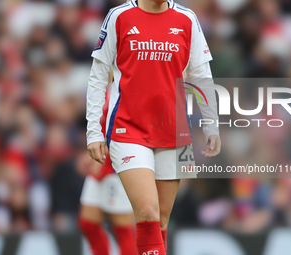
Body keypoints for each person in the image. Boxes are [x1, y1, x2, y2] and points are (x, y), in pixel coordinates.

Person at [86, 0, 221, 254]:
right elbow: (98, 75)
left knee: (160, 223)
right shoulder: (119, 16)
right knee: (147, 213)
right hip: (128, 129)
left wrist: (212, 125)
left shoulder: (187, 19)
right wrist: (93, 130)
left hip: (175, 130)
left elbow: (202, 74)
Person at [79, 83, 136, 255]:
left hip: (117, 166)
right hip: (100, 162)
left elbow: (127, 128)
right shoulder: (103, 86)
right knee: (88, 223)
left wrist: (105, 153)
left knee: (122, 228)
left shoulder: (129, 87)